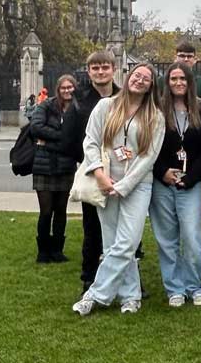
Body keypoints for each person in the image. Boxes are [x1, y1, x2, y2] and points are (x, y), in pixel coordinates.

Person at [72, 63, 165, 316]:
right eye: (137, 75)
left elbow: (149, 157)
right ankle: (130, 296)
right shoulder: (106, 106)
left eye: (146, 78)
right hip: (105, 181)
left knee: (127, 242)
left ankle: (94, 295)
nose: (140, 80)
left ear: (151, 86)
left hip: (137, 185)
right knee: (112, 242)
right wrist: (100, 175)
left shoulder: (155, 116)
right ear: (128, 77)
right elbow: (90, 142)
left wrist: (124, 185)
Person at [150, 63, 201, 308]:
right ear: (167, 82)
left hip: (191, 182)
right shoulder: (157, 109)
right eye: (173, 78)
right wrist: (162, 172)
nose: (178, 83)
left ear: (190, 81)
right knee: (166, 239)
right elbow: (148, 146)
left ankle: (196, 285)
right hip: (162, 181)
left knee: (192, 238)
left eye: (183, 78)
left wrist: (192, 177)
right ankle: (174, 288)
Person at [63, 51, 121, 294]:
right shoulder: (80, 101)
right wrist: (93, 163)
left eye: (105, 67)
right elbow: (69, 140)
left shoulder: (125, 97)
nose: (100, 72)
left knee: (125, 228)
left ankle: (125, 276)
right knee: (93, 227)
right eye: (95, 68)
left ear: (113, 69)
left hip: (123, 169)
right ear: (89, 72)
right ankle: (89, 276)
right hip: (94, 169)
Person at [31, 75, 78, 263]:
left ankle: (57, 250)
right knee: (46, 210)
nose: (67, 90)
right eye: (63, 88)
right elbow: (36, 128)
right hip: (44, 165)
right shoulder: (47, 106)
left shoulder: (77, 109)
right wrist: (62, 137)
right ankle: (43, 251)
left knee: (61, 209)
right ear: (58, 89)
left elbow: (78, 136)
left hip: (66, 166)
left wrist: (49, 141)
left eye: (70, 87)